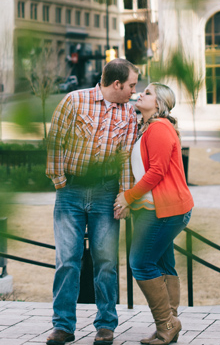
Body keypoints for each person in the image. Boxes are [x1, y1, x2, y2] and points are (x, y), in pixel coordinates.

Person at [45, 59, 140, 345]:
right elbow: (55, 141)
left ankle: (106, 325)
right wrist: (61, 183)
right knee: (67, 261)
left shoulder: (130, 114)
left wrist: (124, 195)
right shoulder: (74, 101)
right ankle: (63, 326)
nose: (134, 91)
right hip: (71, 191)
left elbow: (125, 158)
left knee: (107, 262)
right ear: (116, 84)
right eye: (132, 85)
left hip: (105, 193)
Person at [114, 83, 193, 345]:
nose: (140, 95)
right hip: (154, 209)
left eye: (147, 93)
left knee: (140, 262)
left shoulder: (159, 127)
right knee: (162, 264)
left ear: (158, 103)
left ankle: (167, 324)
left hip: (165, 209)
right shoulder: (146, 127)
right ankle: (169, 324)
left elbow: (156, 172)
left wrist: (128, 197)